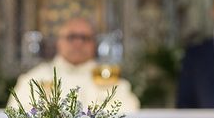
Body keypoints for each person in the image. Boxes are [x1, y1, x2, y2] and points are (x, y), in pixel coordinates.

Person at [9, 18, 140, 112]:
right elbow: (15, 116)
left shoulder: (109, 78)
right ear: (58, 42)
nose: (78, 43)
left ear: (94, 44)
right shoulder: (35, 78)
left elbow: (130, 113)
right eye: (71, 37)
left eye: (85, 38)